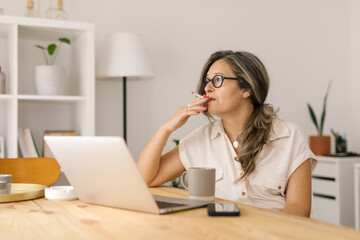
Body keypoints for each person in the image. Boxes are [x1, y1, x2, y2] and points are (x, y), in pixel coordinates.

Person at [137, 50, 317, 217]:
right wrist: (166, 129)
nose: (207, 88)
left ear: (247, 89)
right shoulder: (201, 140)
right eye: (206, 81)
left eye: (217, 80)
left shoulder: (289, 136)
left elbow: (299, 210)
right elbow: (145, 180)